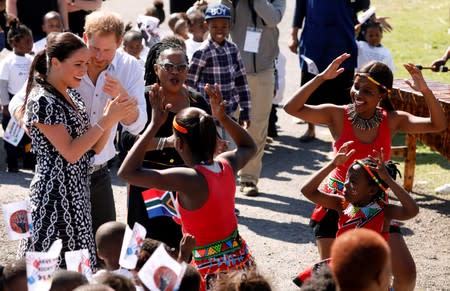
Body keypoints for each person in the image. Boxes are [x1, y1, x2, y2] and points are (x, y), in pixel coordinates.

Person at [284, 54, 447, 291]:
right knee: (336, 280)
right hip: (337, 204)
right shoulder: (336, 114)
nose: (358, 94)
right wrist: (321, 78)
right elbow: (292, 108)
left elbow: (438, 124)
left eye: (368, 91)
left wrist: (424, 90)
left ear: (383, 95)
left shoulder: (392, 120)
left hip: (376, 206)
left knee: (406, 273)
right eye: (356, 87)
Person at [118, 83, 257, 288]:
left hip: (208, 271)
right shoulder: (226, 164)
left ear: (179, 144)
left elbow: (126, 173)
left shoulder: (189, 179)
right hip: (239, 259)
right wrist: (223, 117)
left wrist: (154, 124)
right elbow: (249, 146)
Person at [18, 32, 131, 268]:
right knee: (47, 274)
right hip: (53, 199)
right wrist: (105, 120)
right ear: (56, 62)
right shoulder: (42, 99)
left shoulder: (72, 95)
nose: (84, 70)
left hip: (78, 197)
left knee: (79, 272)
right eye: (78, 64)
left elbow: (94, 148)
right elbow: (71, 152)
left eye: (86, 64)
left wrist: (110, 120)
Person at [119, 41, 210, 250]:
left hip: (184, 186)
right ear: (156, 69)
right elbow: (126, 142)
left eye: (181, 67)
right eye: (168, 66)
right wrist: (165, 142)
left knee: (182, 244)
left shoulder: (197, 101)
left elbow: (206, 142)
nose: (175, 72)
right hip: (146, 183)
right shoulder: (142, 98)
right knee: (144, 247)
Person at [81, 10, 147, 237]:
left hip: (99, 172)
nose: (99, 56)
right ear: (84, 37)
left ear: (119, 43)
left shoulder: (131, 67)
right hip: (61, 171)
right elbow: (21, 100)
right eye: (94, 48)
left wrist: (123, 96)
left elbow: (137, 126)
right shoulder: (66, 55)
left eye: (107, 50)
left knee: (105, 247)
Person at [222, 0, 286, 197]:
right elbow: (224, 24)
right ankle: (226, 177)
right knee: (229, 124)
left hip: (264, 71)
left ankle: (249, 179)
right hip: (234, 70)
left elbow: (273, 19)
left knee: (257, 126)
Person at [301, 142, 419, 238]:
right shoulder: (342, 204)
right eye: (347, 178)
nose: (345, 184)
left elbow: (412, 210)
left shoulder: (384, 212)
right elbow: (307, 191)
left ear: (371, 190)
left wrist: (388, 180)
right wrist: (332, 164)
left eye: (353, 182)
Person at [289, 0, 362, 143]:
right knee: (310, 85)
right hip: (314, 40)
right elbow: (300, 8)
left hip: (342, 39)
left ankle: (344, 132)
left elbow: (363, 4)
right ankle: (311, 129)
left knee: (343, 89)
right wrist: (293, 35)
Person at [186, 3, 251, 150]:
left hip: (229, 114)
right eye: (214, 26)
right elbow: (190, 85)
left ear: (230, 25)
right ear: (206, 25)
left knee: (231, 153)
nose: (219, 30)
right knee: (211, 153)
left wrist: (246, 111)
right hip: (208, 116)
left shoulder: (233, 49)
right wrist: (194, 113)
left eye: (224, 26)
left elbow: (242, 82)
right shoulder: (202, 52)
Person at [0, 20, 33, 172]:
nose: (31, 44)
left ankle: (29, 160)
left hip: (29, 103)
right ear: (15, 43)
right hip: (12, 103)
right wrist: (5, 105)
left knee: (29, 136)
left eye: (31, 40)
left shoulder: (31, 60)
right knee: (11, 136)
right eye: (27, 41)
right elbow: (3, 85)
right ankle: (11, 162)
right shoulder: (8, 62)